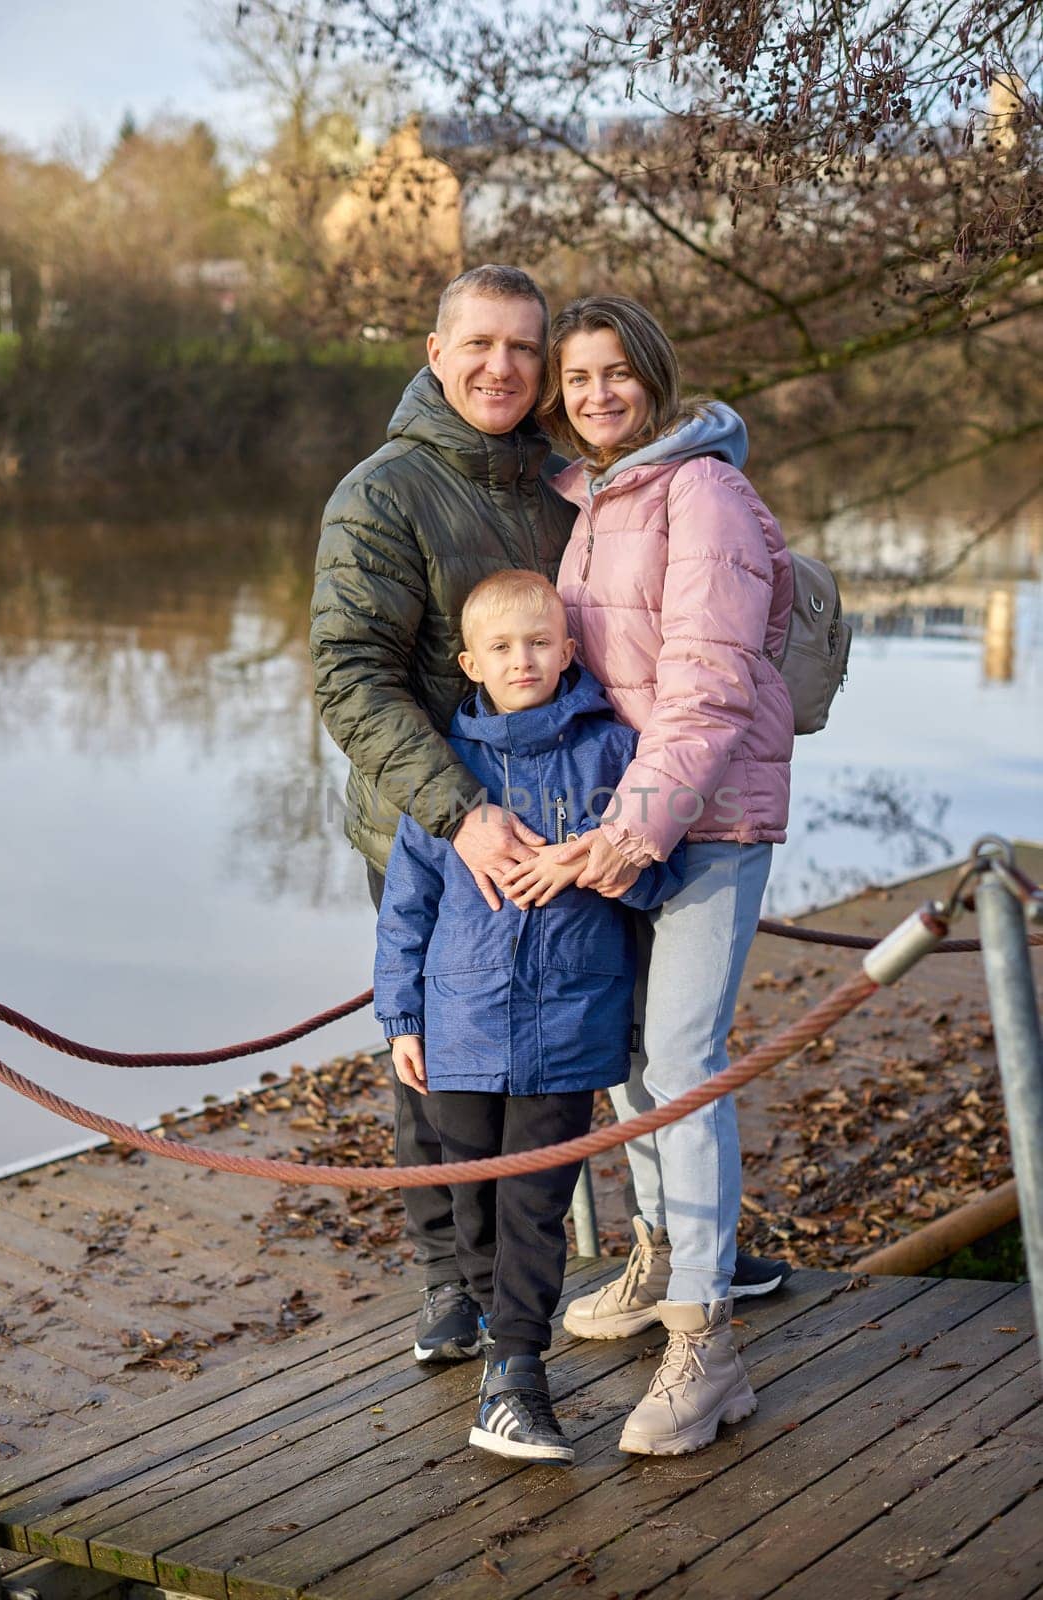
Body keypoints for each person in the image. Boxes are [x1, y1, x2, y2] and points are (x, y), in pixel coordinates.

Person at [505, 295, 796, 1456]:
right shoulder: (595, 498)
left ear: (655, 376)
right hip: (622, 822)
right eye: (577, 379)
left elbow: (711, 685)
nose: (597, 394)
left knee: (680, 1065)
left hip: (706, 821)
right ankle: (663, 1252)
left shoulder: (704, 490)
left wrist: (633, 830)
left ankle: (708, 1345)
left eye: (616, 372)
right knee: (628, 1059)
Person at [311, 265, 577, 1364]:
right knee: (437, 1060)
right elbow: (348, 676)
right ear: (436, 353)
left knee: (568, 1049)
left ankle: (583, 1261)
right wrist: (461, 813)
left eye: (522, 347)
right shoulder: (382, 492)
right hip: (428, 829)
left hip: (562, 827)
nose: (500, 367)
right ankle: (445, 1279)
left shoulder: (567, 487)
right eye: (478, 344)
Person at [373, 571, 686, 1464]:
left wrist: (598, 859)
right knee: (470, 1193)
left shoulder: (613, 754)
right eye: (503, 649)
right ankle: (488, 1324)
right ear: (470, 662)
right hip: (460, 1026)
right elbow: (406, 909)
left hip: (568, 1026)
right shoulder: (446, 773)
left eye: (540, 644)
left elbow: (660, 869)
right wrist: (402, 1016)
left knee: (535, 1208)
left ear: (570, 652)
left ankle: (516, 1367)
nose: (524, 660)